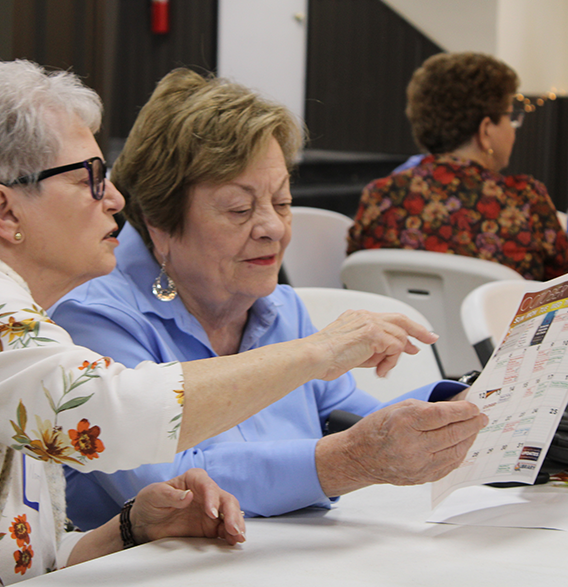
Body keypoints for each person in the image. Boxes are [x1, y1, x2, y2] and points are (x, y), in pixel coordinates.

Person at [0, 60, 478, 586]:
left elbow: (33, 557)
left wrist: (132, 525)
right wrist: (318, 352)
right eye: (88, 177)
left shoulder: (0, 320)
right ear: (4, 211)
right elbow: (107, 415)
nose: (114, 198)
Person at [50, 68, 488, 530]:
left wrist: (465, 407)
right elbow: (173, 489)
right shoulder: (94, 319)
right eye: (240, 209)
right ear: (159, 220)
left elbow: (349, 418)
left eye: (282, 203)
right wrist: (348, 461)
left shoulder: (277, 306)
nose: (274, 228)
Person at [346, 52, 568, 281]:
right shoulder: (526, 201)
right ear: (486, 130)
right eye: (509, 116)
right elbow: (565, 290)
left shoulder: (380, 196)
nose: (513, 128)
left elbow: (356, 280)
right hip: (497, 318)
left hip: (405, 317)